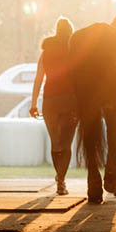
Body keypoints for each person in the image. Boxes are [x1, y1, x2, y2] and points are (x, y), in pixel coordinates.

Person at [29, 17, 77, 195]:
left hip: (50, 102)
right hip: (70, 102)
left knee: (56, 143)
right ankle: (61, 181)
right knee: (66, 144)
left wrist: (34, 104)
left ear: (56, 31)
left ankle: (59, 178)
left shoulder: (46, 51)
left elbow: (38, 79)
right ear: (70, 32)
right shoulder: (74, 50)